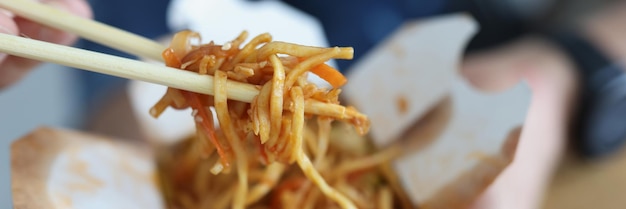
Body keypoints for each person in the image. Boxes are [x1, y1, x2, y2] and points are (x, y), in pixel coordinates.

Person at [1, 0, 625, 208]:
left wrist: (569, 69)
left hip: (463, 100)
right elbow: (125, 102)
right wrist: (117, 127)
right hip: (146, 123)